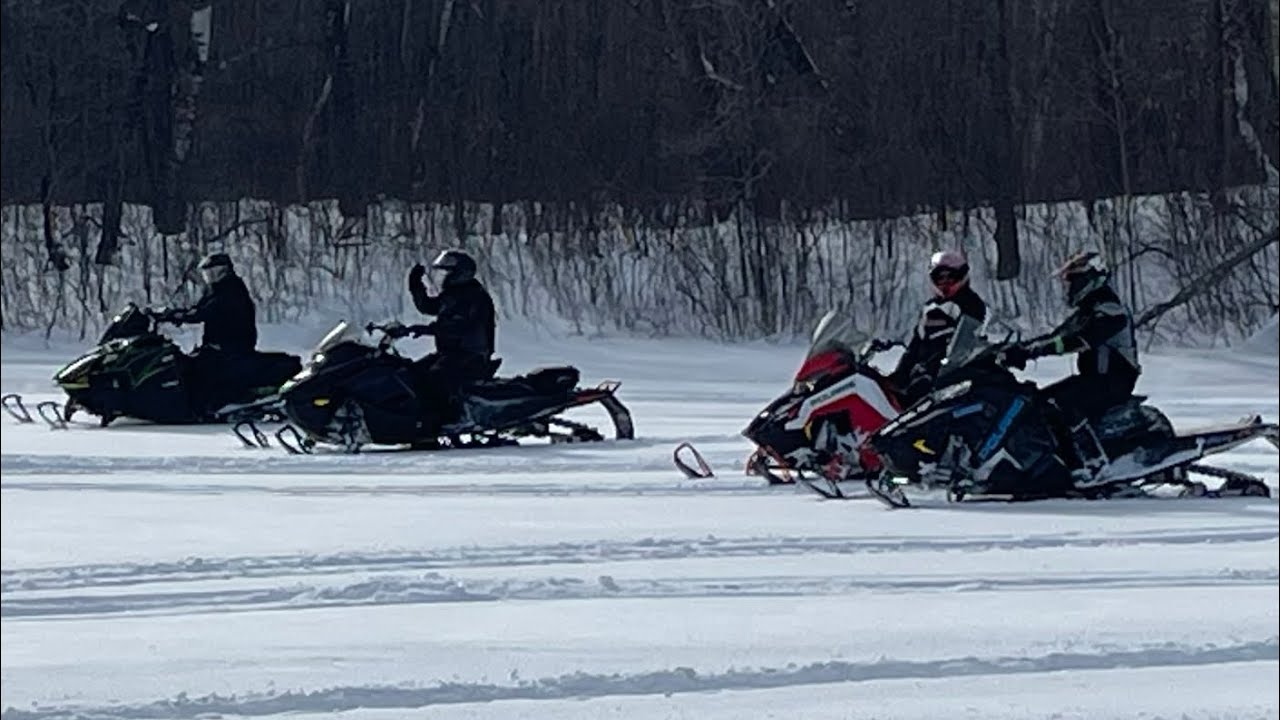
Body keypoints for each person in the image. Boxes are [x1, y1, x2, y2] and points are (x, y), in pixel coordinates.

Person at [997, 250, 1141, 483]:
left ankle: (1091, 463)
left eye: (1074, 281)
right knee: (1036, 402)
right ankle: (1052, 463)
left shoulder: (1110, 310)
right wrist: (1015, 349)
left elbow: (1079, 340)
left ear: (1091, 279)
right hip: (1094, 378)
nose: (1070, 288)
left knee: (1060, 404)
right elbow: (1056, 336)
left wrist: (1034, 352)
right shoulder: (1088, 310)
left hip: (1112, 381)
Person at [399, 249, 498, 430]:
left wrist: (427, 330)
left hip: (470, 354)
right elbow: (430, 307)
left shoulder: (472, 296)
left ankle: (447, 420)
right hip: (452, 353)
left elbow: (456, 326)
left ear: (460, 274)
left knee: (435, 378)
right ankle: (419, 422)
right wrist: (416, 285)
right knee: (412, 373)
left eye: (447, 273)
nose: (443, 278)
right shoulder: (455, 294)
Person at [152, 252, 258, 415]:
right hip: (218, 344)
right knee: (184, 362)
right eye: (206, 273)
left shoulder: (232, 290)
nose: (208, 277)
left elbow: (208, 310)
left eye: (212, 272)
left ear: (223, 271)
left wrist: (182, 316)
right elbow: (199, 308)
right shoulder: (216, 290)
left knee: (199, 367)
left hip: (232, 346)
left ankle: (205, 407)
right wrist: (170, 313)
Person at [885, 250, 988, 403]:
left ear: (961, 276)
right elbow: (915, 345)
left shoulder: (971, 304)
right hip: (924, 375)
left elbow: (969, 344)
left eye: (951, 277)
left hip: (950, 377)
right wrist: (899, 376)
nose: (945, 282)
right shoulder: (930, 307)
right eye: (940, 278)